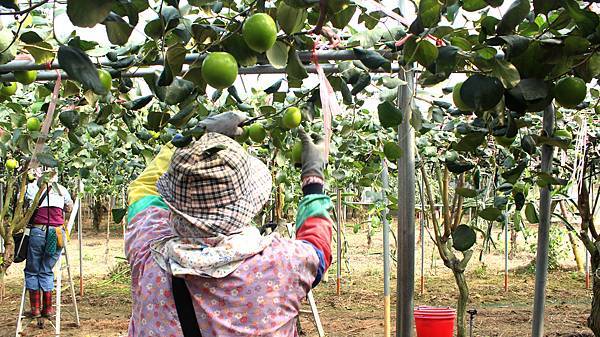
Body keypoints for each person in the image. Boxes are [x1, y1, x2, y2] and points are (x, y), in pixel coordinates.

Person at [125, 112, 333, 336]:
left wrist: (194, 134)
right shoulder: (284, 265)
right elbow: (318, 245)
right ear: (249, 203)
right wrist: (313, 179)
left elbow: (142, 191)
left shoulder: (146, 250)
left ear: (175, 203)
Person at [24, 173, 73, 318]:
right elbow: (69, 207)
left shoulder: (32, 188)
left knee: (32, 270)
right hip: (56, 233)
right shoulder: (62, 189)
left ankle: (35, 309)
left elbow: (27, 207)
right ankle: (48, 309)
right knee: (46, 269)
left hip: (38, 231)